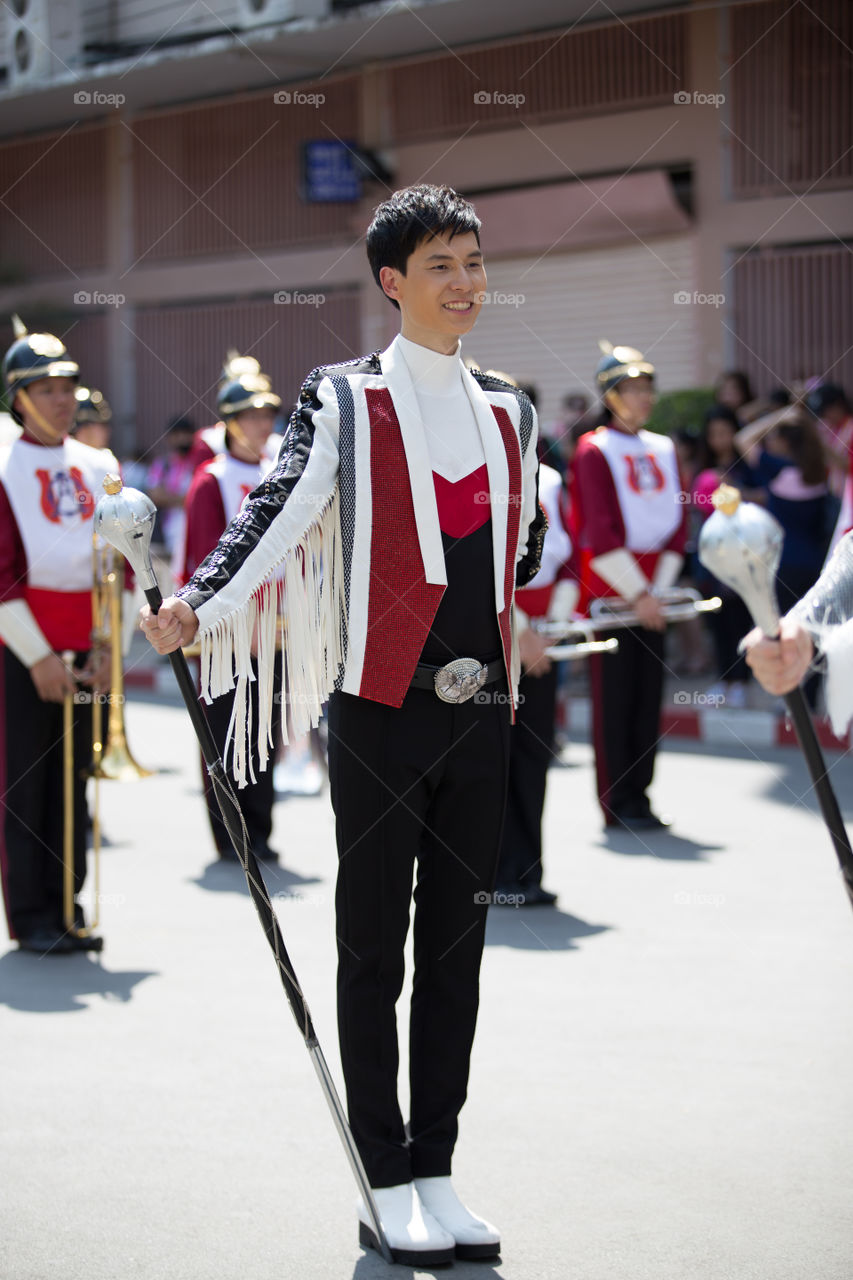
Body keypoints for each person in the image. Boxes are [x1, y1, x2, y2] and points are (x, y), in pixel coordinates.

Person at [140, 184, 544, 1265]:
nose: (464, 282)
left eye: (473, 261)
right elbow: (273, 507)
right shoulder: (344, 398)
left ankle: (439, 1163)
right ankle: (383, 1170)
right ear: (391, 282)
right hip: (376, 707)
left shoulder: (512, 406)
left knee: (458, 945)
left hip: (484, 710)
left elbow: (526, 545)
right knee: (373, 950)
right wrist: (202, 600)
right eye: (441, 265)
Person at [0, 319, 118, 954]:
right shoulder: (0, 462)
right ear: (19, 397)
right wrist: (39, 655)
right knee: (26, 782)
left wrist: (107, 648)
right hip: (21, 651)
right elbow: (0, 577)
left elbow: (113, 564)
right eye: (45, 388)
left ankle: (68, 907)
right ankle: (31, 916)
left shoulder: (96, 463)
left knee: (74, 781)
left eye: (67, 385)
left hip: (84, 644)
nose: (61, 397)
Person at [570, 342, 686, 831]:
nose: (644, 398)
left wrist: (655, 593)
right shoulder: (593, 449)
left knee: (647, 697)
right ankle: (617, 799)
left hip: (653, 592)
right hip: (615, 591)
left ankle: (641, 795)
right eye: (632, 389)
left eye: (647, 388)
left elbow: (678, 523)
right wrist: (639, 594)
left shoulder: (664, 447)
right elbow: (599, 528)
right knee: (614, 699)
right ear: (610, 395)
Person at [177, 357, 283, 863]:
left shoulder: (279, 474)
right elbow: (204, 564)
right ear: (230, 422)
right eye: (253, 416)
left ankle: (260, 829)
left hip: (277, 629)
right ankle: (230, 834)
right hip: (226, 634)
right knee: (224, 733)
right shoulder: (209, 481)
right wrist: (239, 625)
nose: (264, 425)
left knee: (265, 732)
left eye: (268, 415)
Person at [494, 458, 575, 906]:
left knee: (532, 759)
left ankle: (527, 871)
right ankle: (494, 873)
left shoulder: (553, 482)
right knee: (492, 760)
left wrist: (550, 630)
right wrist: (520, 630)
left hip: (542, 642)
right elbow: (478, 561)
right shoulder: (479, 475)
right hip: (493, 637)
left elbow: (570, 559)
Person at [690, 404, 760, 707]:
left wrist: (738, 493)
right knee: (718, 620)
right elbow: (699, 505)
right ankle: (725, 679)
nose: (719, 439)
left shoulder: (750, 469)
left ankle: (743, 681)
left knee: (742, 619)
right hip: (714, 559)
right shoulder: (703, 472)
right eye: (713, 434)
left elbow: (763, 501)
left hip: (747, 557)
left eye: (725, 433)